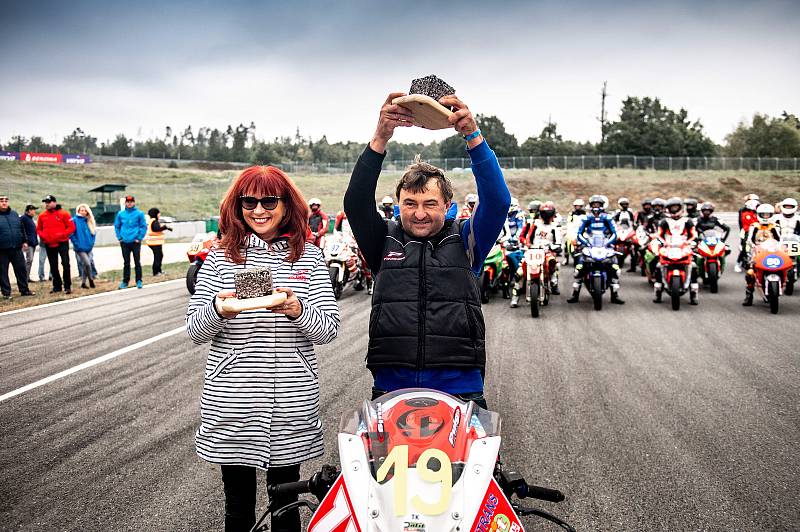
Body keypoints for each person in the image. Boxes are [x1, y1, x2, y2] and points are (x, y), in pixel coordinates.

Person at [186, 165, 339, 532]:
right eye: (249, 201)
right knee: (237, 506)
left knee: (286, 504)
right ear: (236, 206)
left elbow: (329, 329)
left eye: (268, 200)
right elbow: (195, 330)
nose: (258, 210)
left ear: (287, 204)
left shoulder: (309, 257)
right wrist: (218, 310)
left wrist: (297, 309)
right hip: (233, 399)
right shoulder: (221, 256)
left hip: (291, 398)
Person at [344, 92, 510, 408]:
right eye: (410, 203)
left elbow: (499, 201)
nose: (419, 213)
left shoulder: (467, 238)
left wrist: (473, 136)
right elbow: (355, 202)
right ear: (397, 206)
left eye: (430, 204)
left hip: (461, 387)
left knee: (477, 462)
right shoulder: (383, 239)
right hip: (392, 387)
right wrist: (381, 137)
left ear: (447, 205)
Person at [568, 194, 624, 304]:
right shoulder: (586, 217)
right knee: (580, 265)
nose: (596, 206)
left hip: (605, 245)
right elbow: (579, 233)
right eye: (594, 204)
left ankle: (615, 295)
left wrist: (609, 242)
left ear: (602, 205)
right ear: (590, 205)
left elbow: (614, 233)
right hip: (589, 245)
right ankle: (575, 294)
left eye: (598, 204)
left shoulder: (608, 217)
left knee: (614, 265)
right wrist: (585, 242)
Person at [513, 200, 562, 307]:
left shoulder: (555, 226)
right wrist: (527, 244)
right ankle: (515, 298)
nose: (546, 216)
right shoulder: (534, 223)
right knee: (519, 272)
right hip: (533, 250)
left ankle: (553, 283)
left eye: (549, 213)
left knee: (553, 262)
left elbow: (558, 241)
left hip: (547, 251)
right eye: (544, 213)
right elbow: (527, 237)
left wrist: (556, 247)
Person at [653, 197, 698, 305]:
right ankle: (658, 292)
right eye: (671, 208)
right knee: (659, 265)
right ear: (668, 209)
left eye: (676, 207)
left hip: (683, 247)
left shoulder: (688, 221)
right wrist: (663, 243)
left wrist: (688, 243)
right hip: (668, 247)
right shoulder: (664, 221)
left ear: (680, 207)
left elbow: (693, 235)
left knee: (694, 266)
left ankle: (694, 293)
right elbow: (659, 235)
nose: (674, 209)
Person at [742, 203, 781, 306]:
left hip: (772, 251)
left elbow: (780, 240)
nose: (765, 217)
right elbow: (749, 240)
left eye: (768, 215)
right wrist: (753, 247)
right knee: (750, 272)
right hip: (758, 252)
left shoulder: (775, 226)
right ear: (759, 214)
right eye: (763, 214)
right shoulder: (754, 226)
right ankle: (749, 295)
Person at [36, 195, 75, 294]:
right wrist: (44, 236)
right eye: (46, 202)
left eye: (49, 202)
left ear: (54, 202)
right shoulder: (42, 216)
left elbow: (71, 227)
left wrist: (62, 235)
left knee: (65, 263)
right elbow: (38, 229)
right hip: (49, 243)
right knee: (53, 265)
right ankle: (57, 286)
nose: (47, 204)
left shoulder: (64, 213)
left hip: (62, 242)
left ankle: (67, 286)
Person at [0, 195, 34, 299]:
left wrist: (24, 241)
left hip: (16, 248)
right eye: (1, 200)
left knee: (21, 269)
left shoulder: (14, 214)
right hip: (2, 250)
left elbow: (21, 228)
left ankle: (24, 290)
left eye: (6, 200)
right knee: (2, 272)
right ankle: (6, 293)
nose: (4, 202)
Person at [114, 195, 147, 289]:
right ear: (125, 203)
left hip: (135, 241)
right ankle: (125, 281)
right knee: (126, 262)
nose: (129, 203)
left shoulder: (139, 214)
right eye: (128, 201)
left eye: (131, 201)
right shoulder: (121, 214)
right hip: (124, 241)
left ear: (134, 202)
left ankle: (139, 280)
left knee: (137, 261)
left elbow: (143, 226)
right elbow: (117, 226)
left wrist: (139, 237)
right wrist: (119, 237)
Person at [70, 204, 97, 289]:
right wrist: (76, 244)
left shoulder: (89, 220)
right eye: (81, 210)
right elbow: (71, 234)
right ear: (78, 211)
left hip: (88, 247)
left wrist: (91, 243)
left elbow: (93, 234)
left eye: (85, 210)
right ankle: (91, 280)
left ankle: (83, 283)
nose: (83, 212)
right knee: (87, 264)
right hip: (79, 248)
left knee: (86, 265)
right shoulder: (74, 220)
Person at [145, 207, 173, 276]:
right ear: (155, 214)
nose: (159, 214)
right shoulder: (154, 221)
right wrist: (165, 227)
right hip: (154, 242)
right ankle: (156, 272)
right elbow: (157, 229)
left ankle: (159, 271)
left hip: (155, 242)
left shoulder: (152, 221)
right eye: (158, 213)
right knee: (158, 256)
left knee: (159, 256)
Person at [20, 204, 38, 282]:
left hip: (33, 243)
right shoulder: (23, 218)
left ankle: (27, 277)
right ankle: (24, 278)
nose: (35, 212)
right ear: (29, 210)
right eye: (34, 210)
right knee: (28, 260)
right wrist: (24, 241)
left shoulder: (30, 219)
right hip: (28, 243)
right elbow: (20, 230)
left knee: (30, 260)